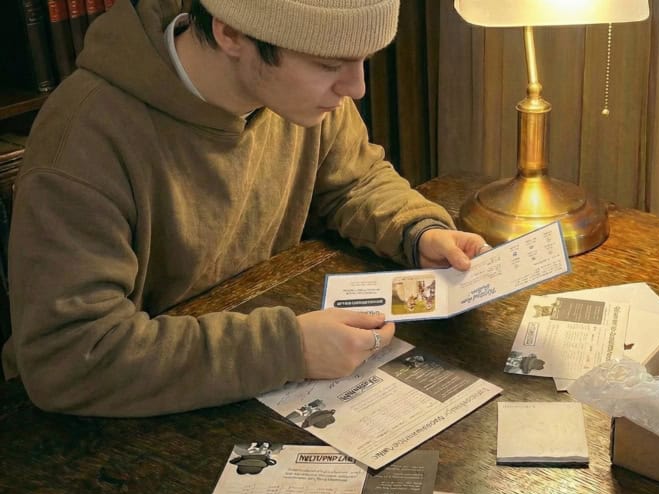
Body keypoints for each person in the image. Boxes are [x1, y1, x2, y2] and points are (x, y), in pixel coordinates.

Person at [2, 0, 488, 417]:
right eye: (327, 65)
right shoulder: (84, 141)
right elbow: (69, 357)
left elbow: (354, 179)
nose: (356, 87)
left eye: (362, 59)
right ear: (231, 33)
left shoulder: (297, 95)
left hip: (244, 375)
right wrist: (288, 350)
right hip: (102, 426)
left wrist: (418, 231)